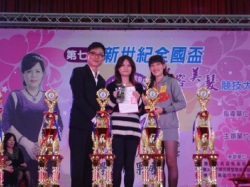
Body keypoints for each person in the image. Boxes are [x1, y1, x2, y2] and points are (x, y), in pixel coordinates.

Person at [2, 53, 63, 186]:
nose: (33, 75)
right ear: (23, 74)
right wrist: (27, 143)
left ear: (43, 73)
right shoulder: (15, 96)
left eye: (37, 71)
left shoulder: (49, 98)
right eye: (29, 71)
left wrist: (44, 146)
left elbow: (59, 126)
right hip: (20, 153)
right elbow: (6, 124)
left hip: (44, 152)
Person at [145, 55, 186, 187]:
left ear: (164, 66)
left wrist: (164, 109)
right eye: (152, 65)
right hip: (153, 128)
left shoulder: (171, 82)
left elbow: (182, 103)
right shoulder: (149, 85)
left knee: (171, 162)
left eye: (157, 64)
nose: (155, 67)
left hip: (169, 126)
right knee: (158, 163)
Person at [69, 42, 106, 187]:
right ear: (87, 55)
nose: (97, 57)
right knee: (78, 166)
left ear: (103, 59)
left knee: (91, 166)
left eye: (100, 55)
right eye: (94, 53)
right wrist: (94, 118)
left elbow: (101, 104)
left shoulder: (102, 80)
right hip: (79, 126)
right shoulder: (78, 72)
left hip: (95, 130)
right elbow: (79, 98)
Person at [106, 55, 144, 187]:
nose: (126, 68)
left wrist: (138, 99)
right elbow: (107, 109)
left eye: (128, 65)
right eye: (123, 65)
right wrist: (113, 98)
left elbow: (141, 111)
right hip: (117, 129)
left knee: (129, 165)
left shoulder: (138, 87)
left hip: (133, 130)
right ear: (118, 68)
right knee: (118, 164)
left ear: (132, 68)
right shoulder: (112, 86)